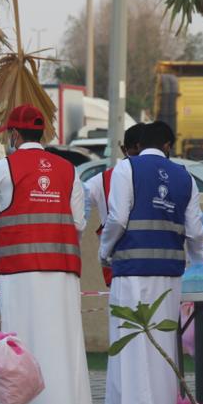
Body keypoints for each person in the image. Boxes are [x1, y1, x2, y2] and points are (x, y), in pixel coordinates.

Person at [0, 104, 94, 404]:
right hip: (64, 272)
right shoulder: (69, 171)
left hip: (20, 273)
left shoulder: (3, 168)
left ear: (14, 135)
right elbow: (78, 224)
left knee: (20, 349)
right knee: (64, 347)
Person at [99, 121, 203, 404]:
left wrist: (105, 251)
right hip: (171, 272)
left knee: (131, 344)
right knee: (162, 346)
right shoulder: (185, 176)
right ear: (169, 144)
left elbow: (117, 218)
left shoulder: (125, 169)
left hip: (133, 268)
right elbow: (196, 231)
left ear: (137, 143)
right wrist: (197, 261)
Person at [84, 123, 146, 288]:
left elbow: (76, 200)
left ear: (123, 149)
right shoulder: (163, 176)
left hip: (119, 268)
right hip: (155, 267)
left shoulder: (102, 180)